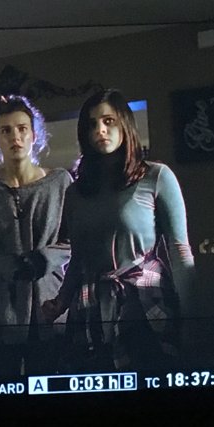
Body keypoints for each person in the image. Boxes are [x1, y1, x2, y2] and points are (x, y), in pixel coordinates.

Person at [42, 89, 194, 374]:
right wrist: (60, 302)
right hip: (90, 309)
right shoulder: (76, 192)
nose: (100, 130)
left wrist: (191, 315)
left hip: (146, 303)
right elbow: (78, 258)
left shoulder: (156, 176)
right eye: (92, 124)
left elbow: (180, 250)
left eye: (108, 121)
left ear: (124, 123)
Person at [0, 95, 71, 376]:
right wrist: (10, 267)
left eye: (22, 128)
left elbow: (73, 239)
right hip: (0, 313)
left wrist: (42, 259)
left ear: (34, 135)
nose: (15, 137)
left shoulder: (59, 183)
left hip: (49, 309)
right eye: (6, 130)